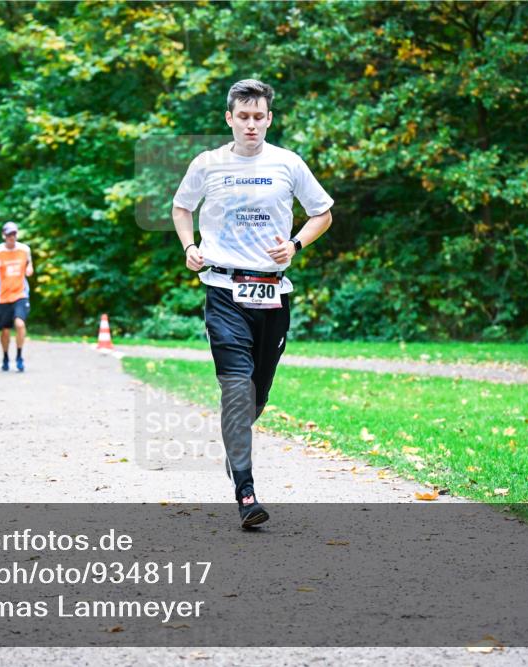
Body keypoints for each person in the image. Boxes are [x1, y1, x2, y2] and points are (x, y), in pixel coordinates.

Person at [171, 79, 334, 528]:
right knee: (237, 388)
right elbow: (181, 208)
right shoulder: (208, 164)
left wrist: (297, 244)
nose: (251, 124)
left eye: (259, 116)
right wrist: (189, 248)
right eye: (243, 116)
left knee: (256, 396)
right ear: (229, 118)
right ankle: (246, 491)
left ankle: (234, 445)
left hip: (272, 293)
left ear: (269, 118)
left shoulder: (287, 163)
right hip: (223, 290)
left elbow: (323, 212)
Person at [0, 222, 34, 372]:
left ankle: (19, 356)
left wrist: (30, 268)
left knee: (20, 324)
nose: (11, 237)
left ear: (17, 234)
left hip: (20, 294)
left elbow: (29, 265)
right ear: (3, 236)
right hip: (2, 297)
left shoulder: (24, 249)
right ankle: (5, 356)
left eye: (14, 234)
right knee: (5, 331)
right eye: (8, 235)